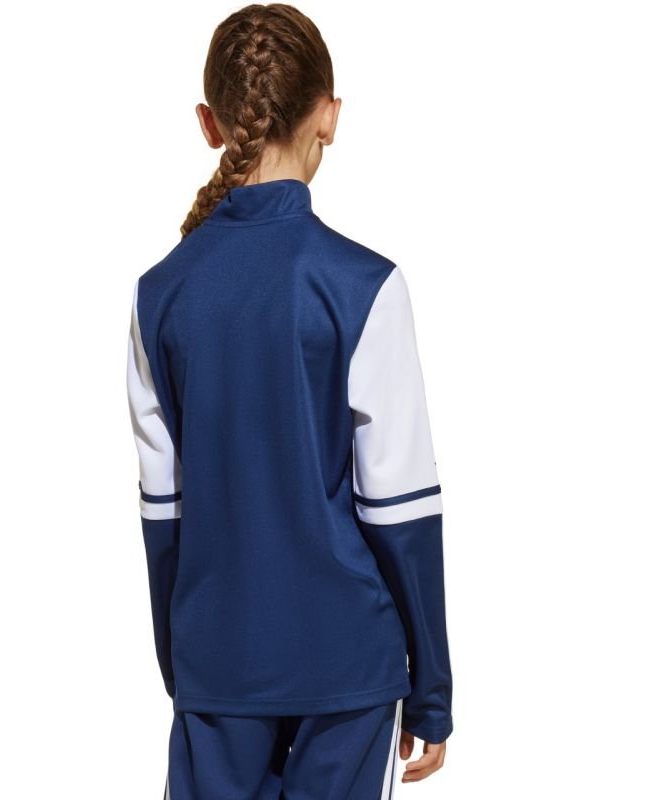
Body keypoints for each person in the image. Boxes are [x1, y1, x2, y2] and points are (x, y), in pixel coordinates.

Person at [126, 4, 454, 797]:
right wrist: (432, 692)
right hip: (349, 671)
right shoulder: (365, 287)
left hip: (218, 668)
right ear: (329, 115)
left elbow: (163, 515)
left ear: (210, 123)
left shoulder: (157, 297)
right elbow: (401, 512)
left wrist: (190, 669)